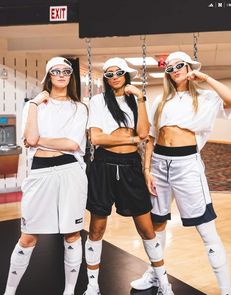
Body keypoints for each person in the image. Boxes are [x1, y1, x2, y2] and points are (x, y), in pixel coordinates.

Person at [131, 51, 231, 295]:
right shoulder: (161, 100)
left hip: (186, 165)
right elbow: (151, 139)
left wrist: (206, 78)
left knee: (205, 227)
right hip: (159, 163)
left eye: (180, 65)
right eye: (170, 67)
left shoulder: (206, 97)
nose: (174, 70)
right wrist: (147, 170)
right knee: (157, 222)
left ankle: (225, 290)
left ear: (188, 67)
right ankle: (155, 275)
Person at [83, 57, 174, 295]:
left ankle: (163, 282)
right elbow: (97, 138)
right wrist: (132, 139)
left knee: (146, 229)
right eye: (109, 74)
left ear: (126, 74)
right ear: (105, 78)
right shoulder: (98, 100)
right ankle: (93, 285)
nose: (114, 77)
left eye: (119, 72)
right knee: (96, 229)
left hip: (131, 167)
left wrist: (141, 99)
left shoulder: (136, 100)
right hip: (103, 165)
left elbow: (144, 132)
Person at [4, 57, 88, 295]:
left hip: (70, 172)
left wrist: (39, 140)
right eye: (56, 71)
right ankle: (10, 292)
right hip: (39, 173)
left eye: (66, 71)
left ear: (71, 76)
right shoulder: (35, 105)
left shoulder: (79, 108)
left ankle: (69, 291)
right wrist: (33, 105)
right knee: (28, 236)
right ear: (49, 75)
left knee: (72, 235)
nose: (61, 75)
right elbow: (30, 138)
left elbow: (71, 144)